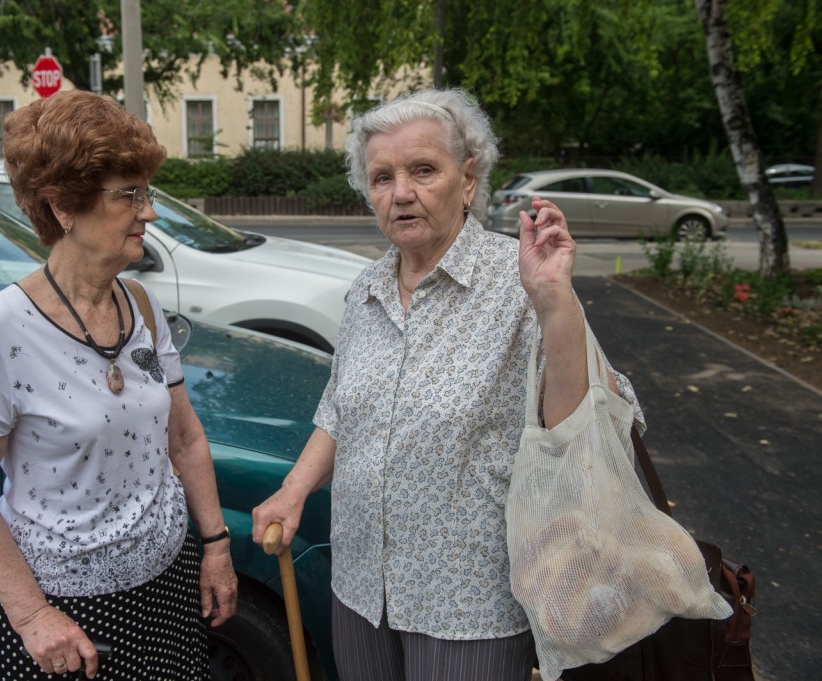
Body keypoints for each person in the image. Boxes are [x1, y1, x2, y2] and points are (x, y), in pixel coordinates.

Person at [252, 88, 644, 681]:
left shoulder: (521, 282)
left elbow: (589, 421)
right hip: (360, 584)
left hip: (467, 599)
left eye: (423, 170)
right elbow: (342, 408)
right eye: (382, 177)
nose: (401, 192)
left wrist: (555, 302)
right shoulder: (367, 289)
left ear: (468, 180)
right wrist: (294, 488)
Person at [0, 89, 237, 681]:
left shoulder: (142, 305)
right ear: (63, 207)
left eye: (146, 192)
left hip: (170, 584)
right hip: (67, 613)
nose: (149, 213)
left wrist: (216, 545)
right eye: (129, 195)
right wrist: (31, 616)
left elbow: (184, 439)